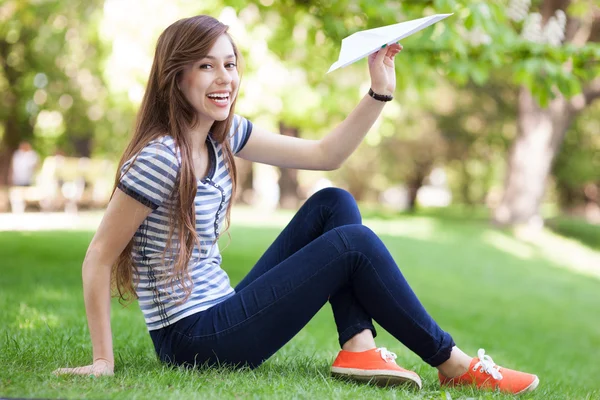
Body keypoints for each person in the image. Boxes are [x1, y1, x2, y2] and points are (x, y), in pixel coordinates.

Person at [55, 15, 539, 394]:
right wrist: (103, 361)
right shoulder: (161, 159)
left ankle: (358, 346)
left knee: (334, 203)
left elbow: (325, 156)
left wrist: (379, 90)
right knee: (353, 244)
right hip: (193, 340)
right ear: (174, 77)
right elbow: (98, 254)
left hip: (221, 310)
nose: (224, 77)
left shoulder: (224, 135)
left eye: (230, 63)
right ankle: (452, 363)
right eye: (206, 65)